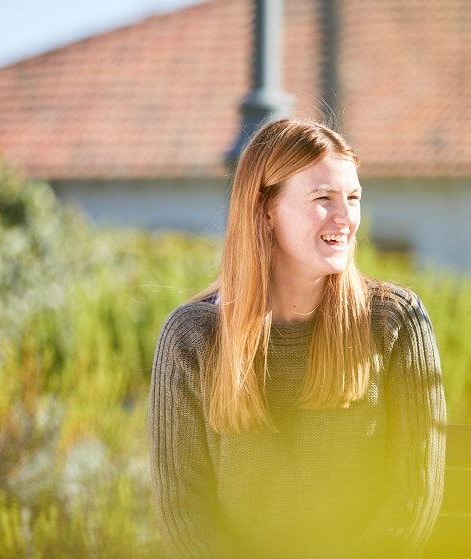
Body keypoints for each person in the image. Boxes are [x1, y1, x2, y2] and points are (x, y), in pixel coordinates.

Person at [148, 118, 446, 559]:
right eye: (323, 199)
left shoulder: (396, 323)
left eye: (354, 198)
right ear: (266, 210)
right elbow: (185, 513)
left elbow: (413, 497)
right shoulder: (191, 339)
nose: (345, 218)